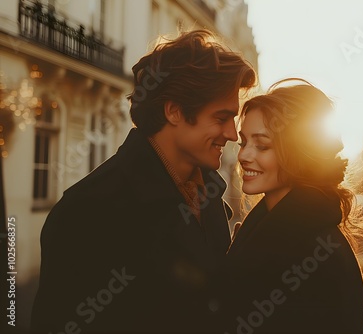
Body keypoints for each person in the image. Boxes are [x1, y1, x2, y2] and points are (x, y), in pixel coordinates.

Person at [30, 30, 256, 333]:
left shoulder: (210, 193)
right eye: (221, 118)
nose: (231, 133)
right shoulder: (87, 211)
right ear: (174, 111)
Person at [218, 79, 363, 333]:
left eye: (262, 145)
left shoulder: (307, 251)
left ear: (298, 152)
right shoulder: (275, 231)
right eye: (244, 142)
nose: (244, 155)